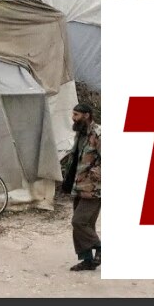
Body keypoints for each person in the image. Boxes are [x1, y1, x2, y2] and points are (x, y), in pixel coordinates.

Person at [63, 102, 101, 271]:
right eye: (73, 114)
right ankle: (87, 260)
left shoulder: (98, 133)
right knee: (85, 225)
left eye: (76, 115)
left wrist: (95, 175)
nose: (73, 118)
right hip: (78, 185)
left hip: (94, 188)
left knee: (79, 222)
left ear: (86, 115)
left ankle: (100, 247)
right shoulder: (81, 134)